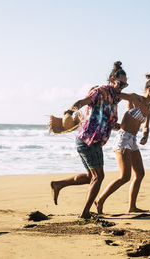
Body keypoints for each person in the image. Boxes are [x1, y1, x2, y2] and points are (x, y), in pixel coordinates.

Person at [50, 61, 128, 219]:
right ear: (112, 80)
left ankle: (58, 184)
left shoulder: (115, 98)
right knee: (99, 177)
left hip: (93, 141)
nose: (122, 87)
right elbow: (82, 102)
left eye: (125, 85)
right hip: (88, 140)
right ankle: (85, 213)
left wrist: (118, 126)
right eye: (120, 83)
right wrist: (70, 112)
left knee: (90, 177)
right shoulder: (99, 92)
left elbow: (106, 119)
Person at [95, 72, 150, 214]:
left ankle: (132, 207)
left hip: (132, 140)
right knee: (125, 176)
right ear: (149, 90)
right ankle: (99, 200)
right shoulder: (134, 98)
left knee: (140, 174)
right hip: (122, 139)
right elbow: (115, 93)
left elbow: (145, 126)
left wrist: (145, 135)